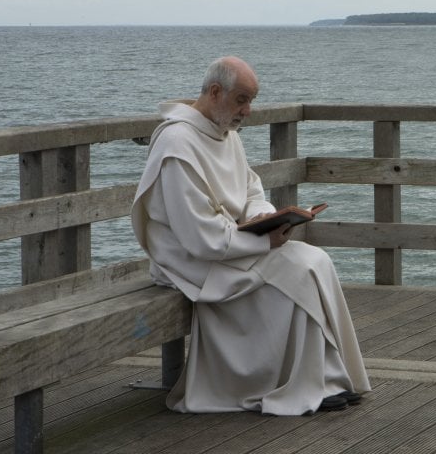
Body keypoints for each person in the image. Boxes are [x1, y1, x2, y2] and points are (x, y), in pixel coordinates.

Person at [131, 56, 370, 416]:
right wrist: (262, 241)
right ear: (215, 92)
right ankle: (295, 384)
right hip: (191, 261)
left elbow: (250, 188)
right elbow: (199, 237)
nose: (249, 110)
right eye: (242, 99)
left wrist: (262, 216)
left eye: (251, 100)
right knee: (300, 270)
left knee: (316, 260)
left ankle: (327, 377)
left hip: (230, 243)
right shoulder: (177, 144)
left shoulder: (223, 132)